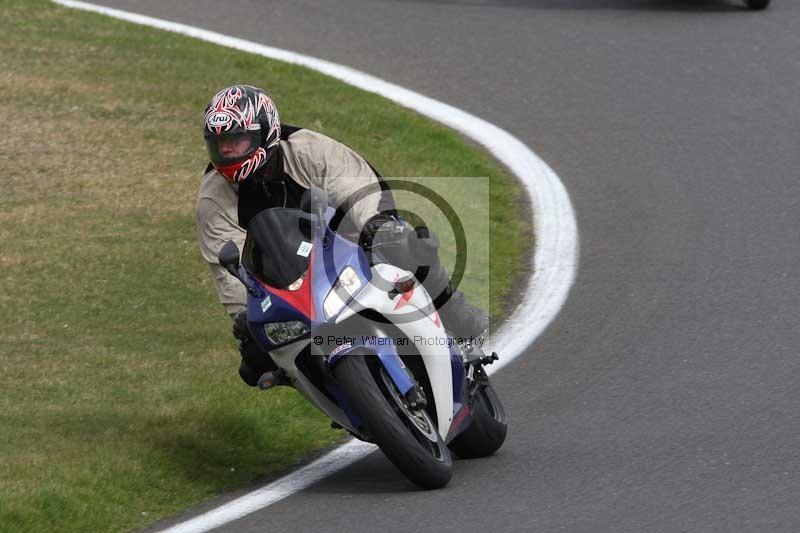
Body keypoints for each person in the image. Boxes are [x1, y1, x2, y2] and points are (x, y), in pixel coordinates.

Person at [196, 84, 489, 386]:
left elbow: (355, 185)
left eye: (236, 140)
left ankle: (455, 312)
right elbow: (226, 265)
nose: (228, 151)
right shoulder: (213, 198)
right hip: (283, 277)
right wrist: (245, 313)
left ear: (266, 133)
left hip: (343, 239)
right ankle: (334, 390)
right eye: (219, 144)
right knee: (255, 361)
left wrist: (376, 223)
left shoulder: (306, 149)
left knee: (401, 244)